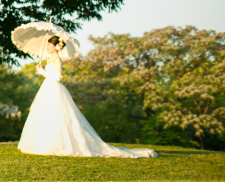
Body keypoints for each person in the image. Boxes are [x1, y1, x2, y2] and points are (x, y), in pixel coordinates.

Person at [18, 35, 157, 158]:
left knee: (57, 116)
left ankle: (59, 145)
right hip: (47, 88)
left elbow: (58, 77)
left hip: (54, 88)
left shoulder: (57, 59)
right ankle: (45, 143)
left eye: (50, 45)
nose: (47, 47)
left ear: (56, 47)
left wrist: (42, 72)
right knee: (45, 115)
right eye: (47, 45)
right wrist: (41, 70)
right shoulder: (49, 59)